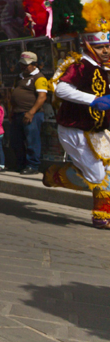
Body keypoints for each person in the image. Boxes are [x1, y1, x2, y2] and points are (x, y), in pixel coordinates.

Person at [43, 32, 110, 230]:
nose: (105, 51)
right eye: (100, 47)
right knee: (97, 176)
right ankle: (55, 175)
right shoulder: (79, 65)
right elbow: (60, 89)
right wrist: (92, 100)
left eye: (108, 46)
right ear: (88, 46)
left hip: (100, 129)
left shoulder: (105, 67)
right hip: (75, 128)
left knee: (106, 173)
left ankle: (102, 216)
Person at [8, 51, 49, 175]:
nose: (23, 67)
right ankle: (21, 164)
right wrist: (12, 111)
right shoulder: (19, 77)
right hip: (17, 113)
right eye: (22, 65)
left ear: (34, 65)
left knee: (32, 140)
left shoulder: (39, 77)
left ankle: (33, 165)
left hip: (32, 114)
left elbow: (42, 97)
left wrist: (31, 112)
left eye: (26, 65)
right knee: (16, 140)